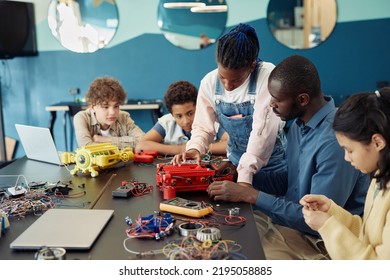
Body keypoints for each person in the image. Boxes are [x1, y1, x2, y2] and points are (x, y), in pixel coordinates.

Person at [207, 55, 370, 259]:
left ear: (302, 99)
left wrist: (251, 195)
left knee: (244, 256)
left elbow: (318, 220)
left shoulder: (335, 141)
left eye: (276, 101)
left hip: (320, 239)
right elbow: (292, 181)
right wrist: (242, 176)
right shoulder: (299, 126)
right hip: (292, 224)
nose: (270, 106)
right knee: (224, 239)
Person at [172, 23, 286, 178]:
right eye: (222, 77)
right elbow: (203, 127)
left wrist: (244, 180)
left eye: (236, 80)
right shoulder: (209, 82)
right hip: (235, 162)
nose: (227, 86)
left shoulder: (268, 77)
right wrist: (195, 149)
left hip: (272, 166)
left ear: (252, 66)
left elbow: (262, 134)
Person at [300, 88, 390, 260]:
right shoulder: (380, 175)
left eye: (349, 150)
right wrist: (332, 212)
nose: (346, 158)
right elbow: (367, 234)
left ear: (377, 142)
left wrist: (327, 226)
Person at [135, 80, 228, 155]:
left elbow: (231, 145)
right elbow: (141, 145)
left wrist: (196, 148)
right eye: (179, 116)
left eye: (190, 113)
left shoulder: (211, 121)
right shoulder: (166, 123)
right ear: (172, 115)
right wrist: (181, 149)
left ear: (199, 107)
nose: (186, 121)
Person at [73, 76, 145, 150]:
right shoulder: (81, 118)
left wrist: (105, 140)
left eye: (116, 106)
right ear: (92, 106)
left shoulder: (124, 117)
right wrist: (125, 145)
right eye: (105, 107)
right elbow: (87, 148)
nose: (112, 112)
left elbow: (144, 141)